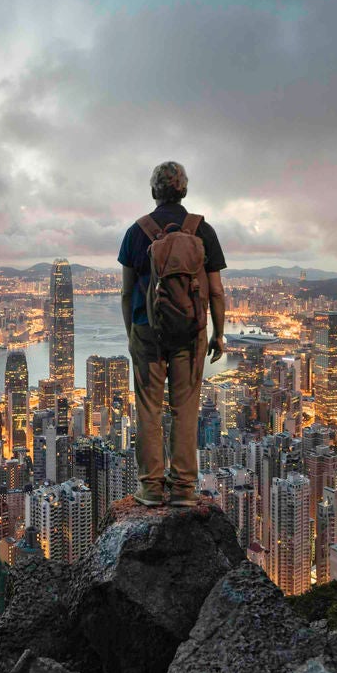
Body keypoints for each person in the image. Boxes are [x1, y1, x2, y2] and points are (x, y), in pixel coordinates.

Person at [118, 161, 226, 506]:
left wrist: (133, 332)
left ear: (154, 192)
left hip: (146, 332)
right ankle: (182, 489)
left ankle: (150, 488)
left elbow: (126, 292)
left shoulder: (137, 232)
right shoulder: (201, 230)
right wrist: (218, 333)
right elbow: (217, 290)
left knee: (149, 410)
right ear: (184, 190)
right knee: (185, 408)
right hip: (191, 332)